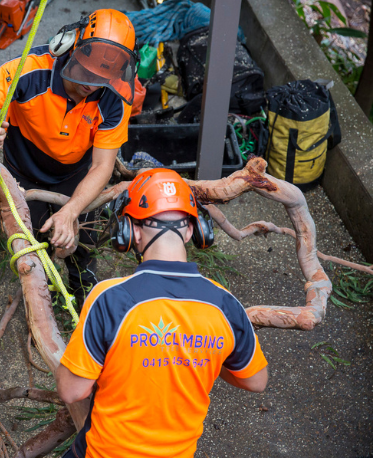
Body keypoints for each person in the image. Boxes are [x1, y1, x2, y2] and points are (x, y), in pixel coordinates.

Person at [55, 169, 269, 457]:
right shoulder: (225, 304)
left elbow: (72, 391)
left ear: (131, 231)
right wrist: (196, 357)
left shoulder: (109, 298)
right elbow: (256, 380)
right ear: (194, 231)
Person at [0, 9, 138, 302]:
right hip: (24, 169)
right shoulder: (29, 70)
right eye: (87, 71)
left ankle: (82, 290)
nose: (92, 84)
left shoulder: (115, 96)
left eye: (103, 76)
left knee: (84, 239)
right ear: (70, 46)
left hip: (78, 173)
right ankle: (42, 296)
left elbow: (102, 166)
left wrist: (71, 211)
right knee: (36, 239)